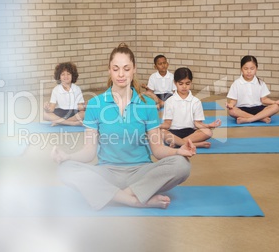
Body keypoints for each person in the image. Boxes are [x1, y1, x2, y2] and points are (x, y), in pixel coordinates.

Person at [51, 43, 196, 210]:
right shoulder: (96, 104)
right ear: (109, 70)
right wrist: (67, 156)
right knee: (65, 169)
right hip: (107, 172)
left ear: (134, 69)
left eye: (126, 69)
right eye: (116, 68)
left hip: (141, 172)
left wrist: (178, 151)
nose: (121, 74)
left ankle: (113, 196)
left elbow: (157, 149)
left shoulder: (147, 104)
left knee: (182, 165)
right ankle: (134, 200)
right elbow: (89, 152)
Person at [160, 67, 221, 148]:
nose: (184, 86)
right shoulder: (169, 101)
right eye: (181, 84)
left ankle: (179, 143)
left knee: (208, 132)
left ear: (191, 82)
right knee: (162, 133)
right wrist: (156, 126)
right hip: (173, 132)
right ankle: (194, 144)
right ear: (175, 83)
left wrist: (208, 126)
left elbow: (197, 123)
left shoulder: (196, 101)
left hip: (191, 132)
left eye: (187, 83)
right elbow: (167, 124)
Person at [226, 55, 279, 124]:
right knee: (231, 111)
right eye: (246, 69)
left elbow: (264, 99)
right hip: (242, 109)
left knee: (276, 107)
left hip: (258, 108)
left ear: (256, 69)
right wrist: (230, 104)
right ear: (241, 69)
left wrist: (275, 102)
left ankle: (248, 119)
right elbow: (233, 100)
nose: (249, 71)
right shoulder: (236, 83)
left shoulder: (260, 83)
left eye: (252, 69)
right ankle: (261, 119)